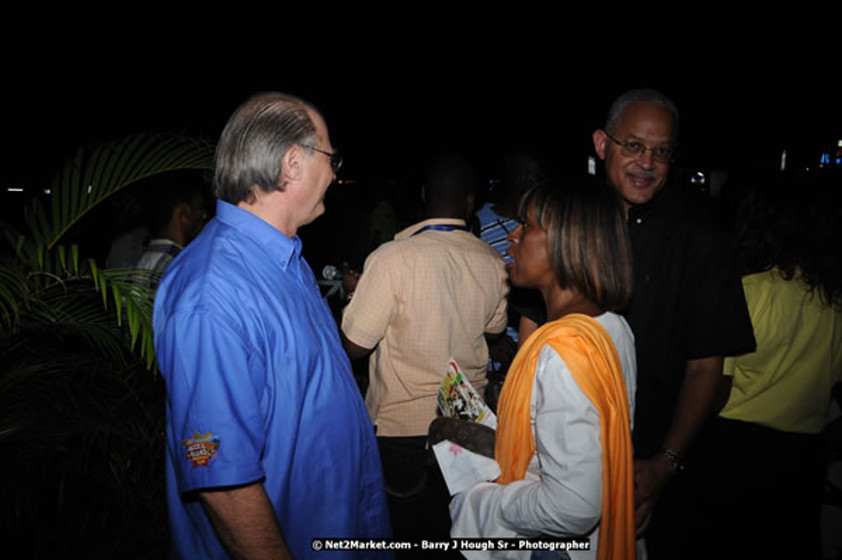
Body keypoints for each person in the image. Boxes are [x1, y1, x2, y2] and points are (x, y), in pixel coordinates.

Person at [154, 92, 390, 559]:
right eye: (330, 156)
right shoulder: (212, 293)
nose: (335, 171)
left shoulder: (287, 259)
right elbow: (223, 484)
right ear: (291, 164)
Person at [591, 89, 755, 557]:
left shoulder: (700, 239)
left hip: (652, 457)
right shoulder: (571, 222)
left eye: (661, 152)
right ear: (603, 144)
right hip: (566, 446)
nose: (647, 162)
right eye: (634, 146)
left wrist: (665, 463)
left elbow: (708, 369)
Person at [450, 177, 637, 560]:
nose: (513, 235)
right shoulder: (613, 326)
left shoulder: (563, 351)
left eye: (528, 225)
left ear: (566, 242)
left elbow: (571, 506)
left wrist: (485, 503)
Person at [341, 155, 508, 548]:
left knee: (405, 540)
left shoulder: (390, 258)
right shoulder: (493, 261)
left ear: (422, 196)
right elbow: (496, 330)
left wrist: (355, 295)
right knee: (462, 539)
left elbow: (354, 347)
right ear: (470, 203)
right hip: (468, 427)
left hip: (401, 428)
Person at [689, 172, 842, 559]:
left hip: (733, 449)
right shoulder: (834, 300)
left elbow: (715, 385)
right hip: (804, 454)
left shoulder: (747, 291)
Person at [135, 171, 208, 286]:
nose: (204, 215)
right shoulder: (177, 264)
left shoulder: (146, 256)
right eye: (199, 207)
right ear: (185, 212)